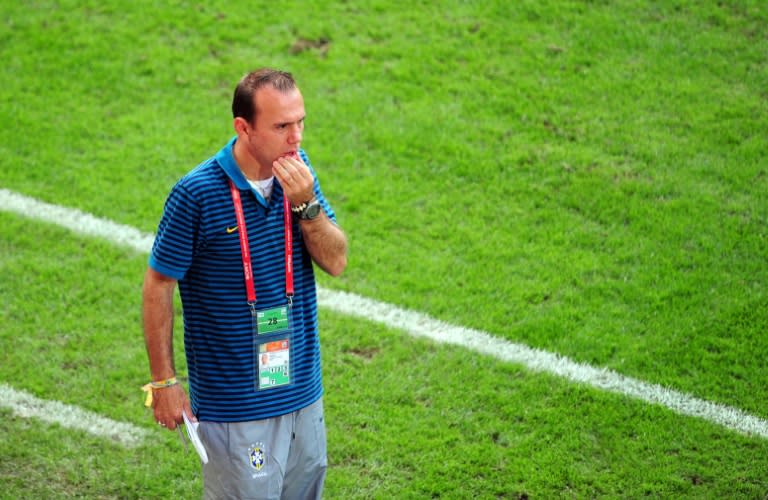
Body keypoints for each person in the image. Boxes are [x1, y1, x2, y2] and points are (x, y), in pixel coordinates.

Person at [142, 68, 348, 499]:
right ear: (243, 127)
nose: (297, 138)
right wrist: (164, 382)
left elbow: (336, 261)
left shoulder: (298, 175)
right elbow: (159, 283)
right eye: (282, 126)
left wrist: (306, 204)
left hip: (303, 393)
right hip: (235, 408)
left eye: (300, 122)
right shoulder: (196, 194)